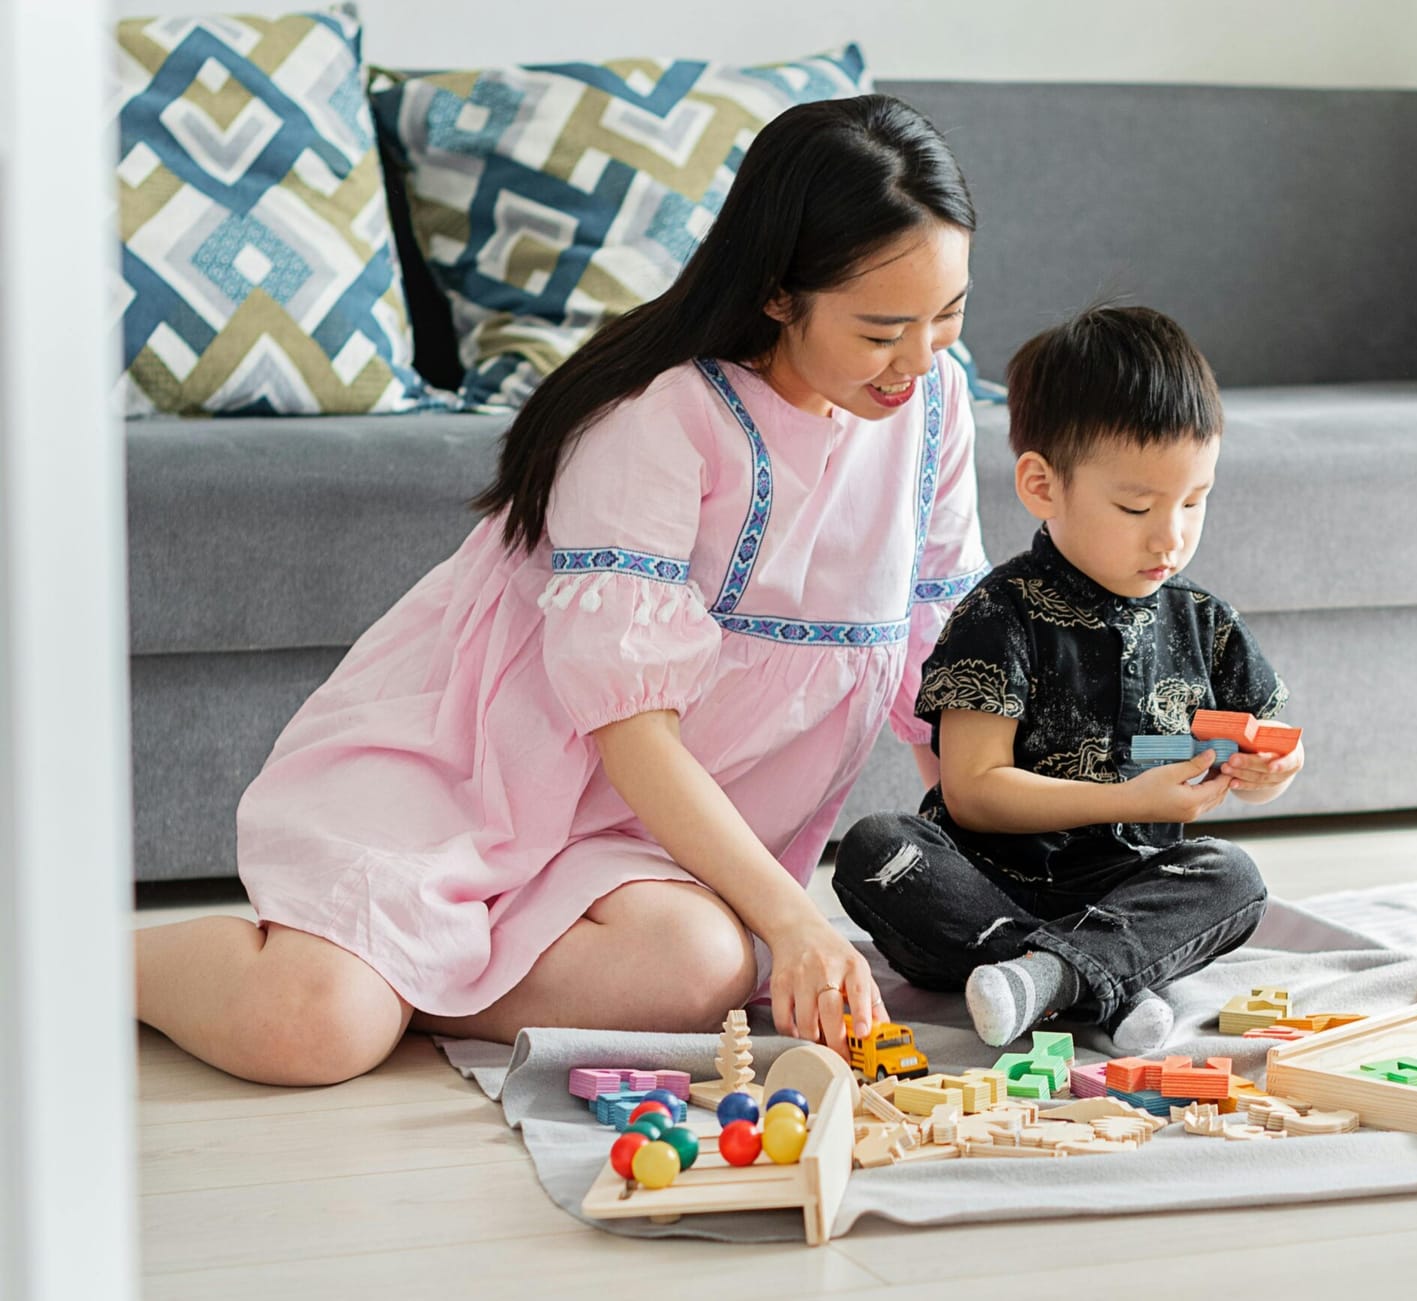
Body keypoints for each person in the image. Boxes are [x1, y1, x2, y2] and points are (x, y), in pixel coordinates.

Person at [134, 94, 988, 1086]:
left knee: (701, 964)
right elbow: (629, 728)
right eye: (883, 329)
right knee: (312, 1028)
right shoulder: (658, 419)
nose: (921, 358)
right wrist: (796, 919)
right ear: (776, 293)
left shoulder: (933, 406)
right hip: (471, 780)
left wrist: (1014, 864)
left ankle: (401, 970)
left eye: (949, 316)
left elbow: (942, 676)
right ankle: (75, 962)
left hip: (634, 846)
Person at [831, 305, 1306, 1054]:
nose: (1171, 536)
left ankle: (1048, 981)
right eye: (1137, 506)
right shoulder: (998, 614)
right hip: (985, 886)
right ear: (1042, 485)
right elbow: (973, 791)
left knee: (1232, 876)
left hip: (1125, 890)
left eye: (1194, 500)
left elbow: (1267, 752)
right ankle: (1097, 983)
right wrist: (1126, 797)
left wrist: (1270, 768)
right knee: (877, 849)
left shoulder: (1204, 624)